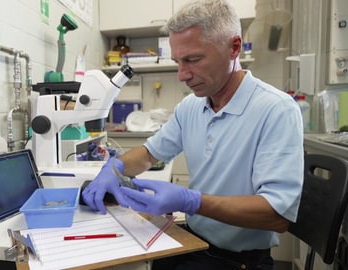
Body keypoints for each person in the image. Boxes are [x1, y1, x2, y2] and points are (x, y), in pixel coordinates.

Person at [81, 0, 304, 269]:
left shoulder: (276, 110)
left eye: (193, 59)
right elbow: (150, 154)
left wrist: (191, 201)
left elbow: (276, 215)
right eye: (178, 61)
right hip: (195, 241)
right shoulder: (192, 106)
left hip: (239, 259)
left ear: (234, 48)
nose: (182, 75)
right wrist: (114, 168)